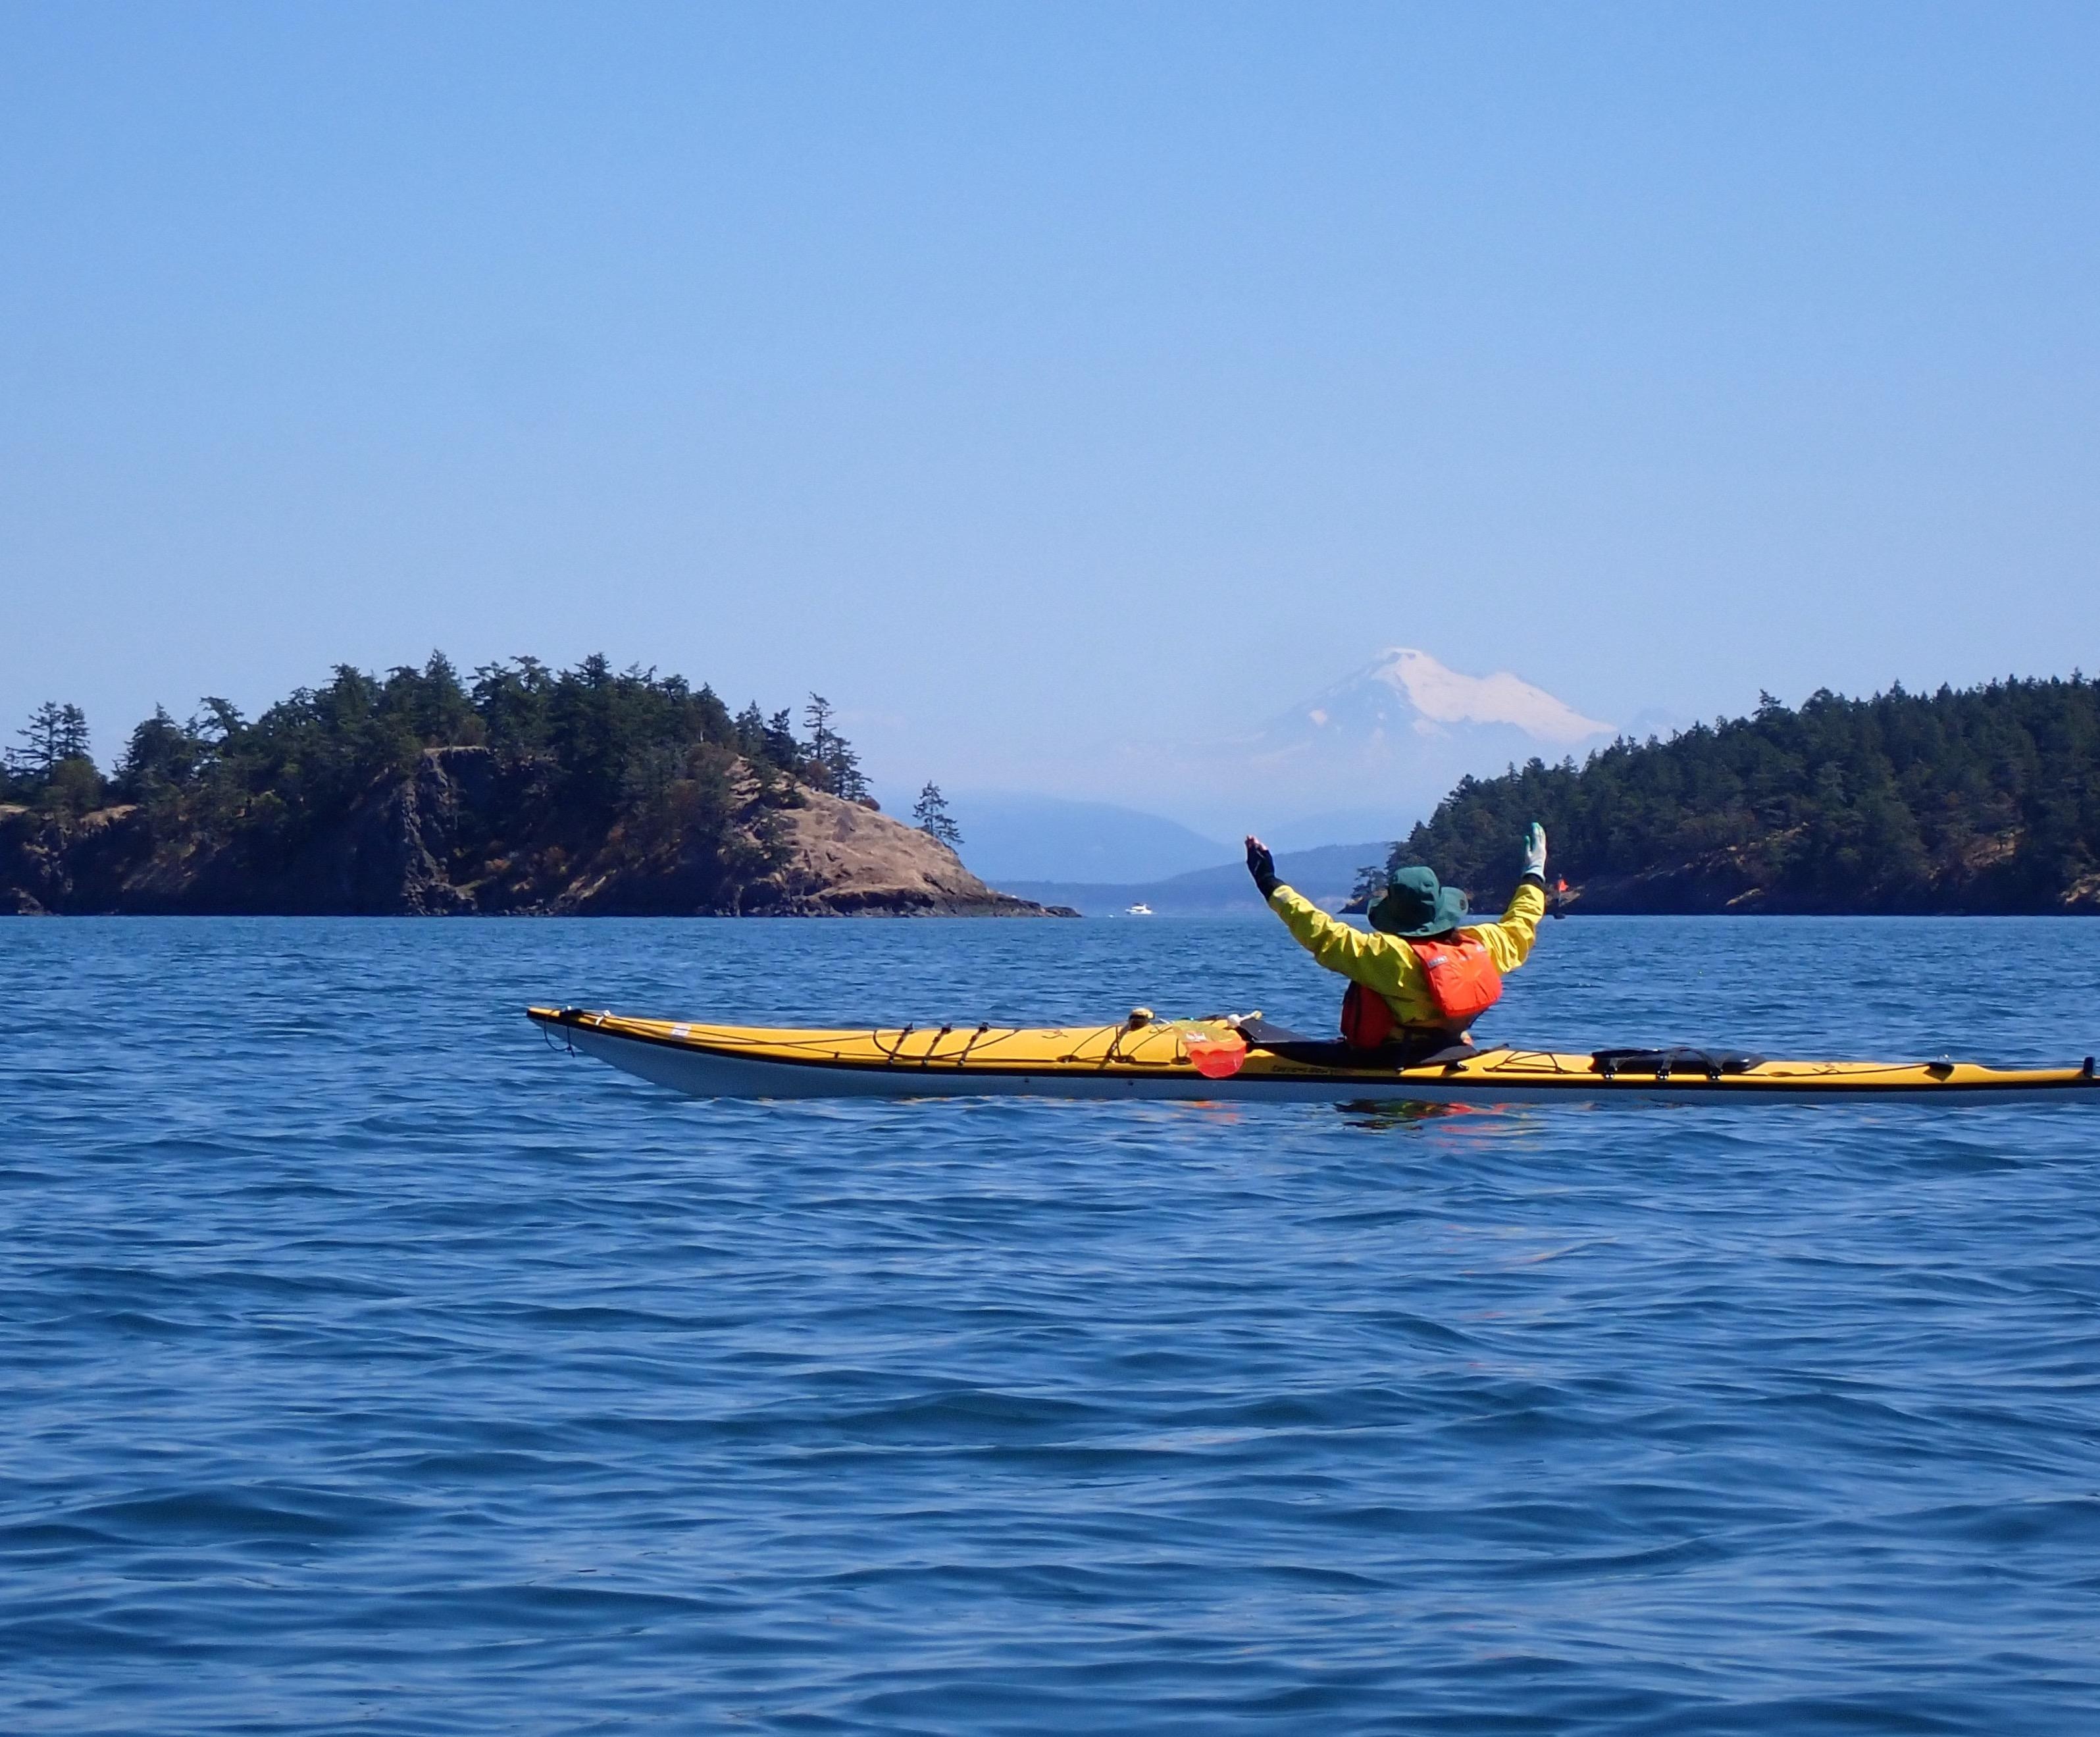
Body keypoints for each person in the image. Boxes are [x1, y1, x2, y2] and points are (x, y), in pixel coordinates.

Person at [1244, 823, 1550, 1048]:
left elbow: (1320, 930)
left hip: (1391, 1060)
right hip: (1456, 1050)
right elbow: (1521, 923)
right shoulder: (1482, 944)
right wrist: (1534, 873)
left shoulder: (1388, 956)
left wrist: (1269, 882)